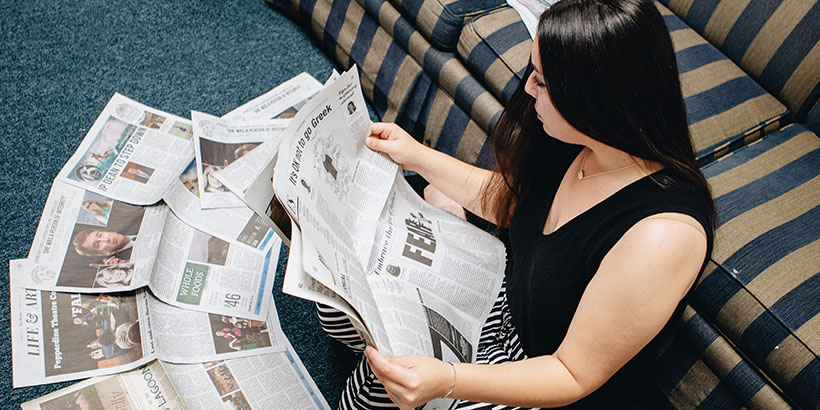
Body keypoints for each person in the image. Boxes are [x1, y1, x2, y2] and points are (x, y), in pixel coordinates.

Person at [319, 0, 715, 408]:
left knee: (375, 388)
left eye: (542, 83)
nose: (528, 89)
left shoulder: (662, 236)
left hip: (543, 379)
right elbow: (512, 206)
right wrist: (415, 153)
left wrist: (448, 380)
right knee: (337, 299)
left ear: (593, 99)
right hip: (502, 303)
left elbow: (571, 374)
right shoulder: (580, 142)